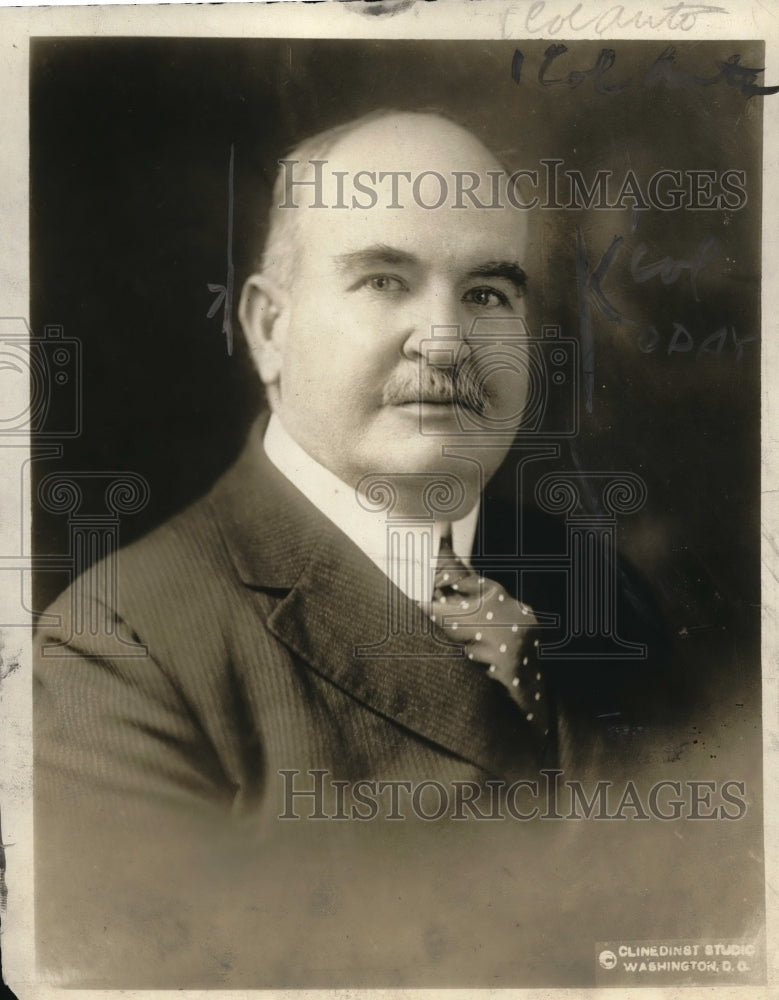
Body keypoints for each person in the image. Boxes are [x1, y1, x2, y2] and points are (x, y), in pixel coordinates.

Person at [34, 110, 671, 988]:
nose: (446, 340)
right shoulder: (117, 651)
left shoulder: (603, 586)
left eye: (487, 293)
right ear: (267, 328)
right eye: (382, 280)